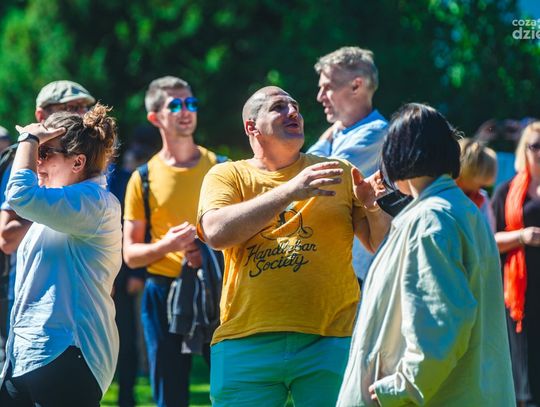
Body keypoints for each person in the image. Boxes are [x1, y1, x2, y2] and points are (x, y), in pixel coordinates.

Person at [197, 86, 391, 406]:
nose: (293, 113)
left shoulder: (338, 171)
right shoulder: (227, 175)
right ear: (251, 126)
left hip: (331, 341)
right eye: (279, 107)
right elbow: (216, 233)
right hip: (245, 340)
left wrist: (372, 207)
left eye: (295, 107)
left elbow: (380, 245)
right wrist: (290, 190)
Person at [337, 103, 515, 406]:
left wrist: (402, 387)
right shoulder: (460, 209)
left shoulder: (430, 220)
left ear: (396, 156)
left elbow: (441, 322)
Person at [0, 103, 122, 406]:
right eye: (37, 151)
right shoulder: (58, 206)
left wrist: (28, 139)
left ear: (78, 162)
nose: (36, 160)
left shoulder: (95, 202)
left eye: (44, 152)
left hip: (69, 353)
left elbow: (19, 195)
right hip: (27, 356)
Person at [123, 76, 223, 407]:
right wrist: (168, 245)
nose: (186, 111)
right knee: (169, 395)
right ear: (155, 117)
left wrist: (208, 252)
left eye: (191, 103)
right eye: (175, 105)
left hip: (218, 290)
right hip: (162, 292)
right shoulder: (142, 178)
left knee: (231, 391)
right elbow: (131, 255)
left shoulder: (221, 168)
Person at [0, 80, 96, 368]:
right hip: (29, 296)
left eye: (85, 107)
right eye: (71, 107)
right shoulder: (24, 162)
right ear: (41, 116)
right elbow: (7, 237)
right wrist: (53, 210)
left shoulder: (89, 163)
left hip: (75, 300)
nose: (81, 115)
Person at [307, 46, 388, 284]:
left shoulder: (377, 133)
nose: (320, 96)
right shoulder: (342, 133)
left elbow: (314, 177)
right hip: (334, 271)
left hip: (354, 277)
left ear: (356, 85)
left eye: (328, 87)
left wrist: (326, 137)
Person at [492, 121, 540, 407]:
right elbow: (490, 241)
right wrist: (521, 236)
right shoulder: (506, 192)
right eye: (535, 146)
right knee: (525, 371)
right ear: (524, 149)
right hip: (520, 292)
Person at [456, 138, 497, 231]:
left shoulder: (481, 199)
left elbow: (490, 234)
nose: (480, 188)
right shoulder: (443, 196)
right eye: (480, 184)